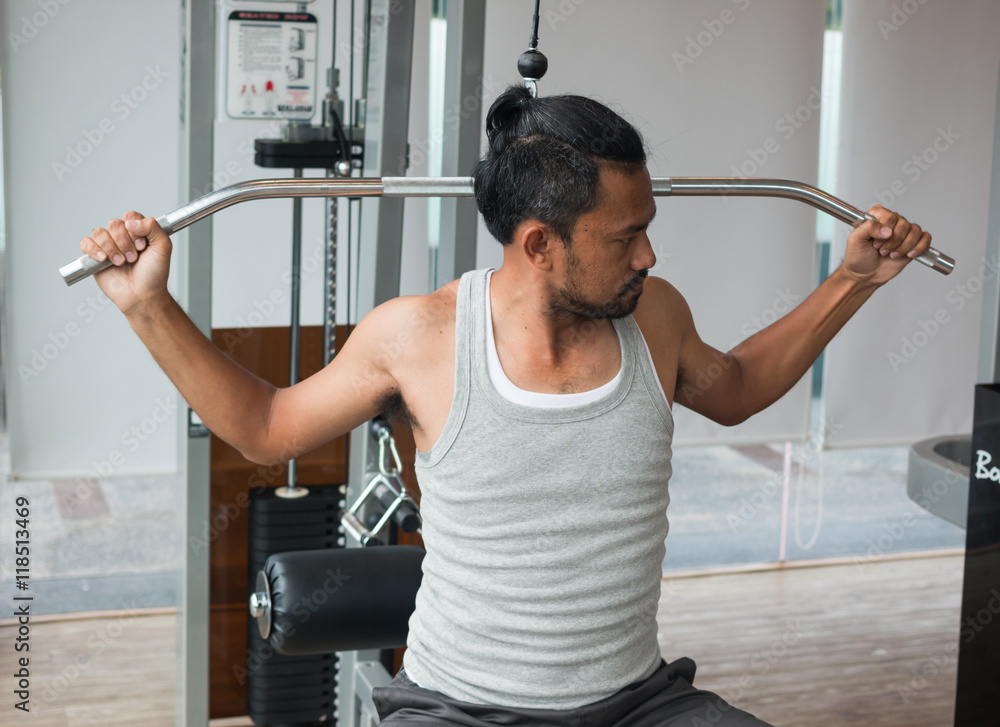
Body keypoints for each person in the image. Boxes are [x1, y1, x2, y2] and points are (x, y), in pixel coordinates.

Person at [79, 84, 931, 726]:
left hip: (637, 704)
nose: (648, 251)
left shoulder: (656, 315)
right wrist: (146, 304)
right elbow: (266, 425)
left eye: (648, 225)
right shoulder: (418, 338)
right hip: (459, 708)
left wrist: (853, 279)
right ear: (538, 243)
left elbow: (738, 391)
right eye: (624, 236)